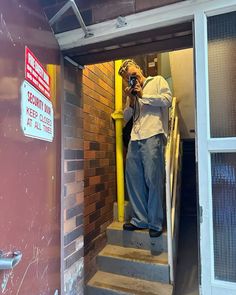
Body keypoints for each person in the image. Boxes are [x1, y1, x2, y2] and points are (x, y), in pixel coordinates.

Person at [118, 59, 172, 237]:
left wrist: (143, 96)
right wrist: (131, 101)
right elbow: (126, 117)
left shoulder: (157, 80)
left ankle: (155, 223)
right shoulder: (132, 93)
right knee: (134, 180)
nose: (132, 79)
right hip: (135, 137)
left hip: (153, 134)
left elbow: (167, 100)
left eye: (133, 75)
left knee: (153, 179)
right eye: (128, 78)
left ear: (140, 70)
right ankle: (140, 219)